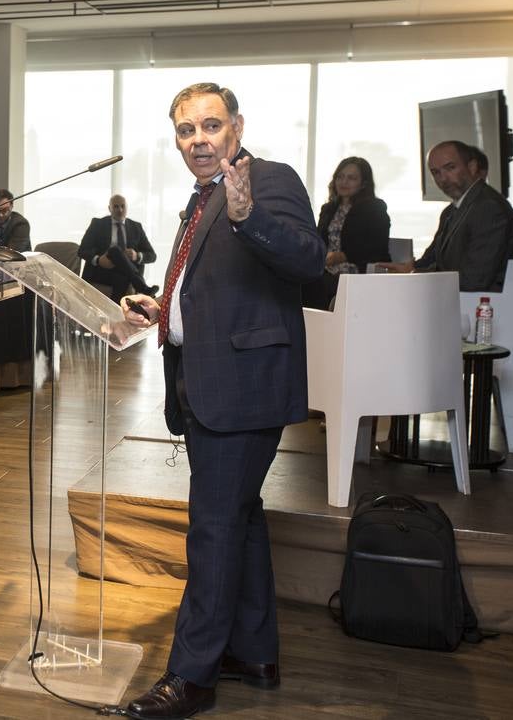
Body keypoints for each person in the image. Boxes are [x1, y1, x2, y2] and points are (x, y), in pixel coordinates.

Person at [118, 82, 324, 720]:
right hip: (210, 380)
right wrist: (163, 308)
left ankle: (192, 676)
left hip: (243, 386)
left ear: (236, 126)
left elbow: (310, 261)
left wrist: (249, 217)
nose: (198, 140)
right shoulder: (200, 196)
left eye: (210, 126)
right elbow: (211, 286)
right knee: (240, 519)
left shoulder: (268, 180)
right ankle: (253, 651)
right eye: (186, 131)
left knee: (212, 529)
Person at [380, 141, 513, 291]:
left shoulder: (489, 208)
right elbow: (431, 259)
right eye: (436, 172)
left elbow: (475, 279)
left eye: (450, 168)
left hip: (485, 307)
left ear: (472, 167)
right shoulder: (451, 211)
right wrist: (408, 269)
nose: (443, 178)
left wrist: (414, 273)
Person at [303, 157, 391, 309]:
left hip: (355, 270)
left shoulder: (375, 208)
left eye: (351, 178)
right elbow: (318, 239)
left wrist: (342, 256)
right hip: (326, 267)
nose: (344, 182)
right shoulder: (328, 208)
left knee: (312, 284)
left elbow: (377, 246)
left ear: (364, 183)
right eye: (340, 177)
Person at [78, 194, 158, 301]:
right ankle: (142, 286)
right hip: (101, 271)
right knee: (114, 250)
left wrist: (137, 256)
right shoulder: (98, 224)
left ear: (127, 207)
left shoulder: (136, 227)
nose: (120, 210)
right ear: (109, 208)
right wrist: (98, 260)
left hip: (125, 272)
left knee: (122, 277)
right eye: (116, 206)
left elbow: (152, 256)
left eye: (122, 206)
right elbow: (82, 250)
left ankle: (115, 309)